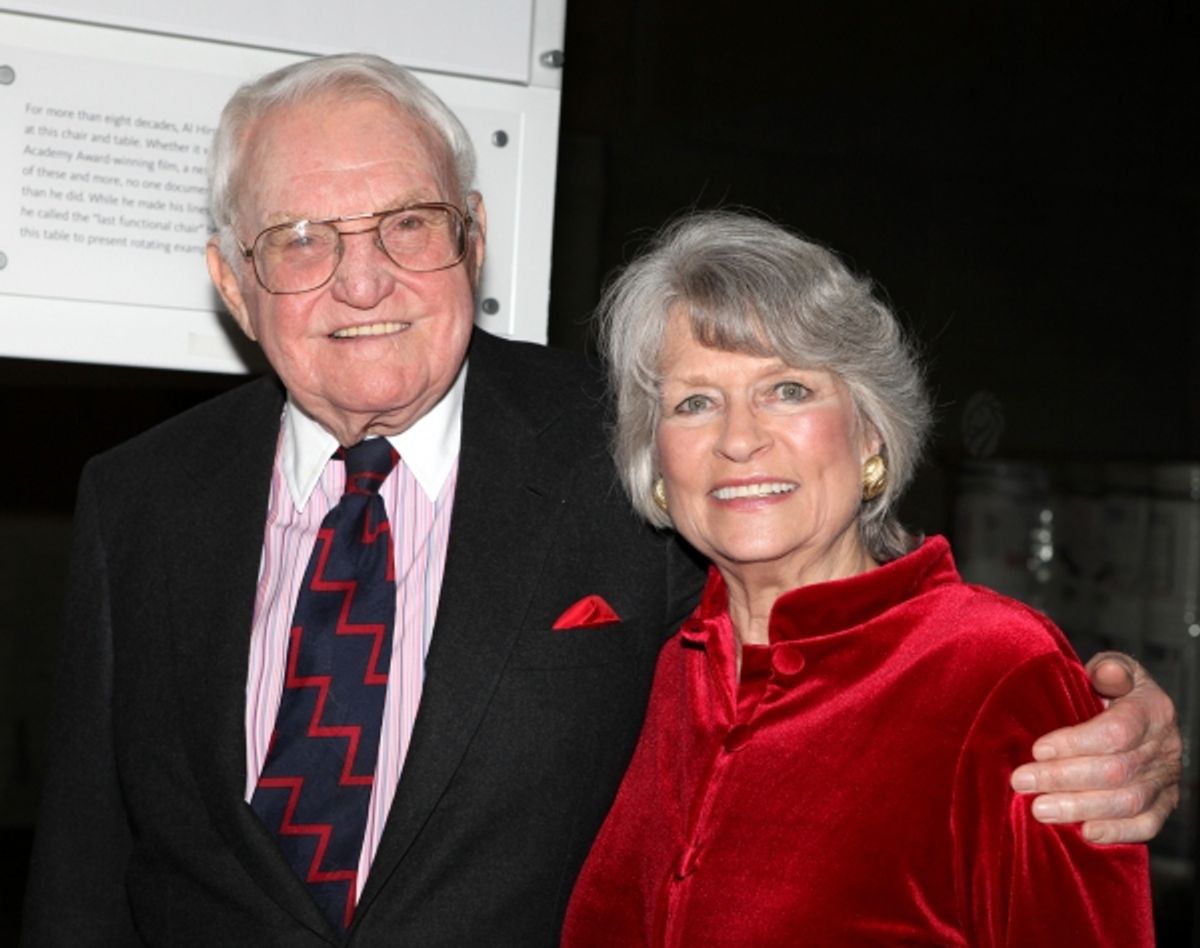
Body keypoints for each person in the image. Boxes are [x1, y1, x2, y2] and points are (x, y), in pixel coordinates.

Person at [19, 56, 1177, 948]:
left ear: (473, 239)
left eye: (408, 225)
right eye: (303, 237)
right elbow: (82, 875)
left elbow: (850, 632)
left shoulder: (626, 452)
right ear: (232, 277)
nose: (361, 279)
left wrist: (1116, 718)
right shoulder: (140, 500)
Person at [560, 210, 1157, 946]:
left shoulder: (994, 671)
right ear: (656, 466)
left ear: (871, 433)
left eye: (787, 390)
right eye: (695, 403)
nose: (740, 438)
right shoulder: (660, 674)